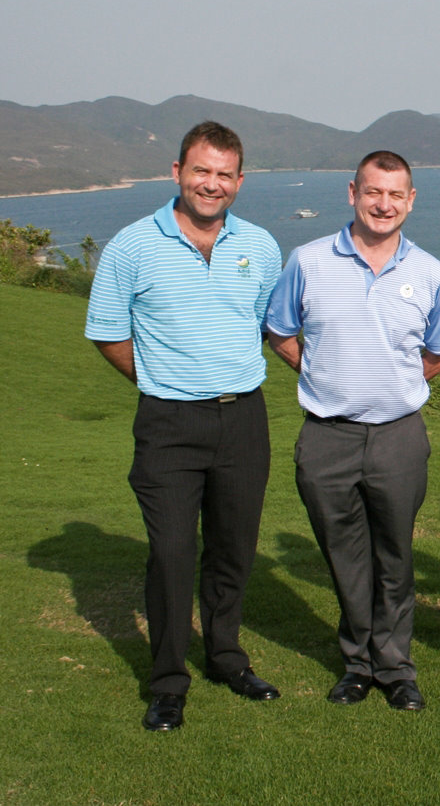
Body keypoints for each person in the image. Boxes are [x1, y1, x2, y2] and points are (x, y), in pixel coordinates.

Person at [85, 121, 284, 732]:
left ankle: (226, 657)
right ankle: (169, 681)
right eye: (201, 170)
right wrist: (161, 382)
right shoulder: (131, 246)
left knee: (232, 549)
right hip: (168, 421)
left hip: (243, 418)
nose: (212, 184)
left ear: (239, 182)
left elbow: (267, 325)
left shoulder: (262, 246)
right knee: (172, 552)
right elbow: (109, 333)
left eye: (225, 174)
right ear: (177, 172)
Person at [265, 151, 440, 712]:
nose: (384, 204)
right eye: (374, 192)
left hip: (398, 436)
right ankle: (357, 665)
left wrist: (391, 386)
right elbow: (280, 333)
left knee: (395, 556)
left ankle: (396, 670)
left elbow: (439, 354)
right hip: (327, 436)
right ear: (353, 192)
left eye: (396, 195)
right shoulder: (308, 259)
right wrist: (322, 376)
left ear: (411, 200)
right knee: (344, 557)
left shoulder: (430, 272)